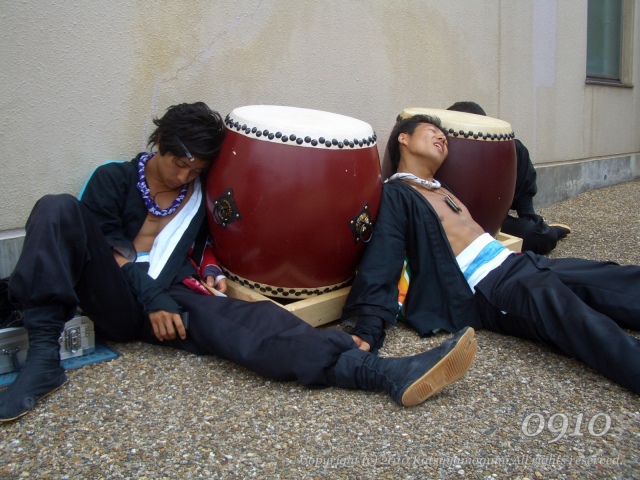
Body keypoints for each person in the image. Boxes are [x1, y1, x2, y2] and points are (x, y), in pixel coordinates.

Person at [0, 102, 478, 422]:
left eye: (196, 169)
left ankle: (382, 373)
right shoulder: (113, 180)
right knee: (56, 207)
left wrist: (209, 271)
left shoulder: (197, 192)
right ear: (159, 141)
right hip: (116, 296)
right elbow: (111, 251)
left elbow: (206, 243)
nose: (184, 176)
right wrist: (153, 299)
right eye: (178, 162)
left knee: (255, 325)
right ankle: (43, 359)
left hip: (170, 302)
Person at [341, 114, 640, 394]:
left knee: (608, 277)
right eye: (432, 131)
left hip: (514, 262)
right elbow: (384, 257)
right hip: (491, 285)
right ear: (404, 139)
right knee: (567, 311)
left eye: (444, 136)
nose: (442, 138)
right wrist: (368, 328)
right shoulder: (398, 194)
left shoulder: (440, 188)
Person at [446, 101, 571, 255]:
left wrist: (530, 224)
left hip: (488, 222)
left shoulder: (509, 148)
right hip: (448, 221)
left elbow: (525, 207)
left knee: (536, 235)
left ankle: (548, 230)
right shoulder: (437, 148)